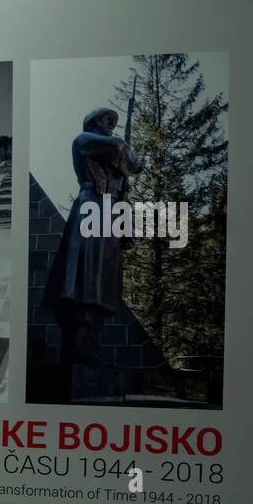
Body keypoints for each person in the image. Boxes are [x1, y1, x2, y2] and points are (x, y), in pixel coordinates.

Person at [41, 106, 143, 391]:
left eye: (114, 120)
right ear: (92, 123)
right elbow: (123, 151)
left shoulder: (112, 155)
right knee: (86, 281)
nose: (111, 124)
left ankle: (89, 348)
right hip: (92, 207)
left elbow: (131, 169)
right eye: (106, 119)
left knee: (103, 286)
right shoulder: (84, 141)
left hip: (110, 215)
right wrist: (126, 151)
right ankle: (78, 351)